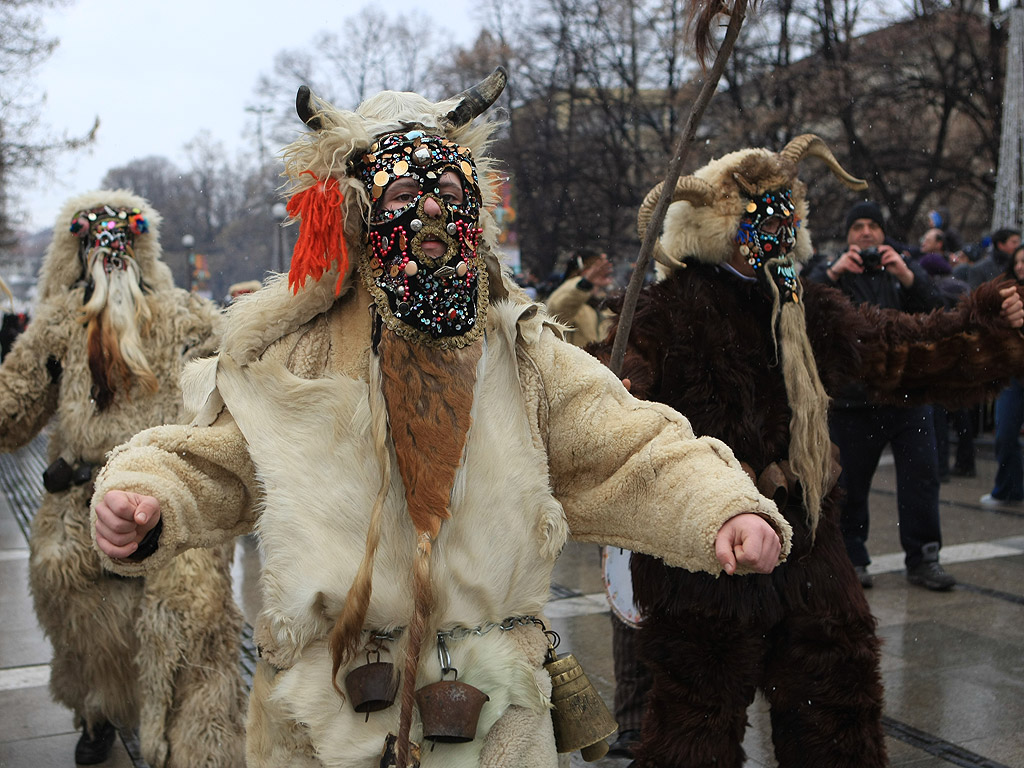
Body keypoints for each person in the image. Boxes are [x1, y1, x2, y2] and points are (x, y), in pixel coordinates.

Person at [90, 71, 792, 768]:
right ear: (364, 214)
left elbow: (629, 446)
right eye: (404, 194)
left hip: (496, 711)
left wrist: (724, 509)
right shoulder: (297, 353)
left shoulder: (523, 354)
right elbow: (214, 459)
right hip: (325, 707)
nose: (429, 211)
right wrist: (148, 495)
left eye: (450, 193)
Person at [596, 134, 1024, 768]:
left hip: (806, 539)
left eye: (783, 212)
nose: (773, 229)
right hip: (706, 548)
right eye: (756, 215)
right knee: (696, 719)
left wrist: (985, 325)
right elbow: (620, 382)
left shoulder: (803, 303)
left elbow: (895, 348)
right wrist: (619, 380)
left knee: (836, 696)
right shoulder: (668, 306)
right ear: (718, 227)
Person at [0, 190, 246, 767]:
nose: (109, 256)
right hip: (79, 502)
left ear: (143, 249)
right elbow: (11, 415)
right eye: (93, 243)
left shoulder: (187, 315)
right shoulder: (59, 324)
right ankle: (97, 713)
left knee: (197, 620)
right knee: (74, 605)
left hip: (174, 495)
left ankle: (200, 749)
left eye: (124, 240)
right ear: (75, 255)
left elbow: (232, 386)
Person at [810, 200, 961, 590]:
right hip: (853, 402)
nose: (865, 232)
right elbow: (805, 314)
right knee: (850, 487)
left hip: (907, 398)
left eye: (872, 226)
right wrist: (832, 274)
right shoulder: (833, 272)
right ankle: (852, 558)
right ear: (848, 235)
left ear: (882, 233)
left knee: (921, 479)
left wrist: (908, 277)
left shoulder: (902, 270)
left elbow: (939, 313)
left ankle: (924, 557)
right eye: (857, 225)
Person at [916, 241, 976, 480]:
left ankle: (940, 467)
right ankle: (966, 461)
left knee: (938, 417)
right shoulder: (962, 287)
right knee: (962, 414)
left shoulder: (933, 291)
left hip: (941, 360)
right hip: (962, 358)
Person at [980, 243, 1024, 507]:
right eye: (1017, 261)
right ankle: (1009, 488)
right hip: (1013, 378)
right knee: (1005, 434)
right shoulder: (1007, 294)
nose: (1020, 266)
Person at [544, 248, 615, 347]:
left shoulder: (603, 305)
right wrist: (585, 283)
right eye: (594, 270)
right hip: (572, 361)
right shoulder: (568, 298)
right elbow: (558, 310)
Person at [955, 227, 1022, 287]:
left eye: (1019, 242)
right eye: (1014, 242)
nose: (1017, 246)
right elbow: (974, 296)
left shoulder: (1015, 266)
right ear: (1000, 245)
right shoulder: (979, 269)